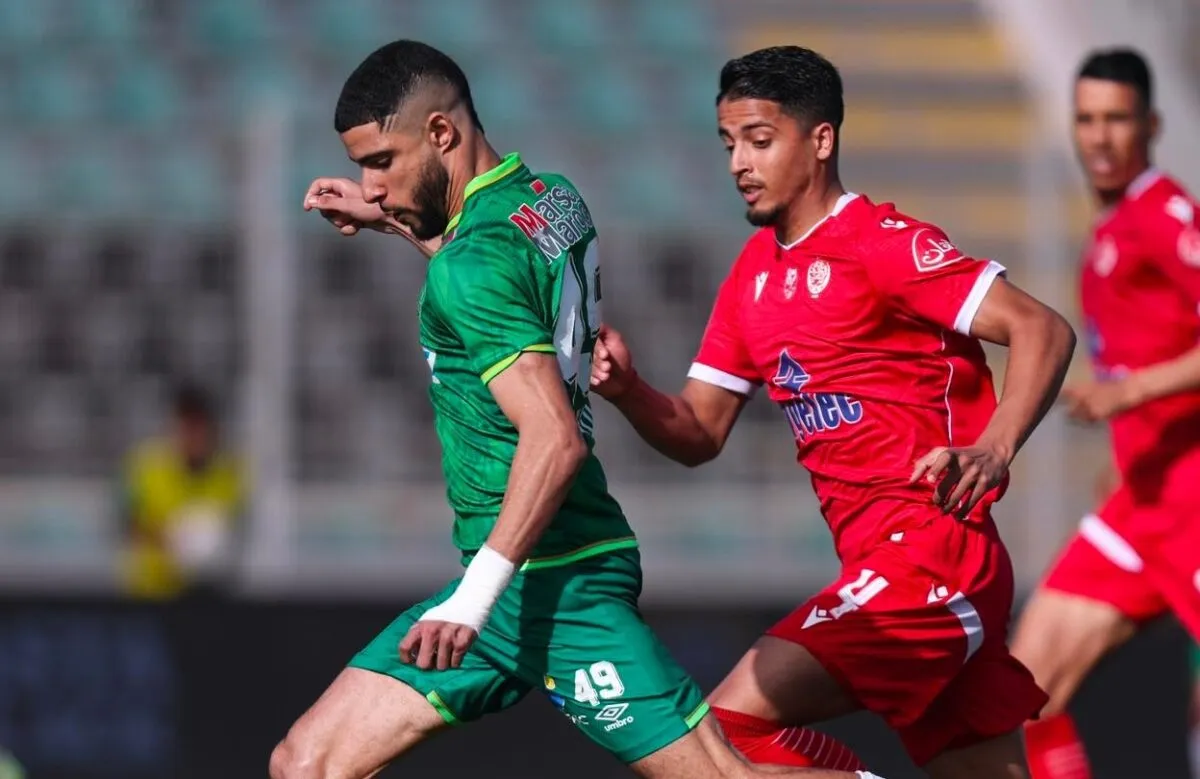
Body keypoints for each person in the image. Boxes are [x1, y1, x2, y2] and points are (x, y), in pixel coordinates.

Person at [271, 40, 881, 779]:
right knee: (306, 763)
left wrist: (471, 601)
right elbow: (489, 274)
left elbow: (555, 439)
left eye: (382, 163)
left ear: (440, 132)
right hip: (513, 577)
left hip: (557, 581)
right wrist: (391, 220)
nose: (372, 185)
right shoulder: (549, 200)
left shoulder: (471, 265)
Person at [589, 45, 1077, 779]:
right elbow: (699, 431)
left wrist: (995, 446)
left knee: (719, 737)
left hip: (933, 556)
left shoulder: (882, 244)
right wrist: (628, 389)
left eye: (759, 140)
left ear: (820, 140)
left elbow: (1043, 328)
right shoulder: (752, 275)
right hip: (885, 564)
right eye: (728, 144)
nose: (739, 163)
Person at [1009, 47, 1200, 779]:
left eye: (1117, 119)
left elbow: (1139, 378)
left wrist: (1128, 392)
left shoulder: (1164, 214)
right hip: (1140, 505)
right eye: (1086, 119)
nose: (1100, 136)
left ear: (1150, 125)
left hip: (1191, 502)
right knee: (1021, 692)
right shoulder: (1111, 231)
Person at [119, 382, 245, 600]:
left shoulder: (231, 472)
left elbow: (241, 527)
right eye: (185, 426)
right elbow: (125, 524)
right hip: (151, 592)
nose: (192, 436)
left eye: (198, 427)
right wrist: (170, 539)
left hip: (212, 593)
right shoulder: (145, 466)